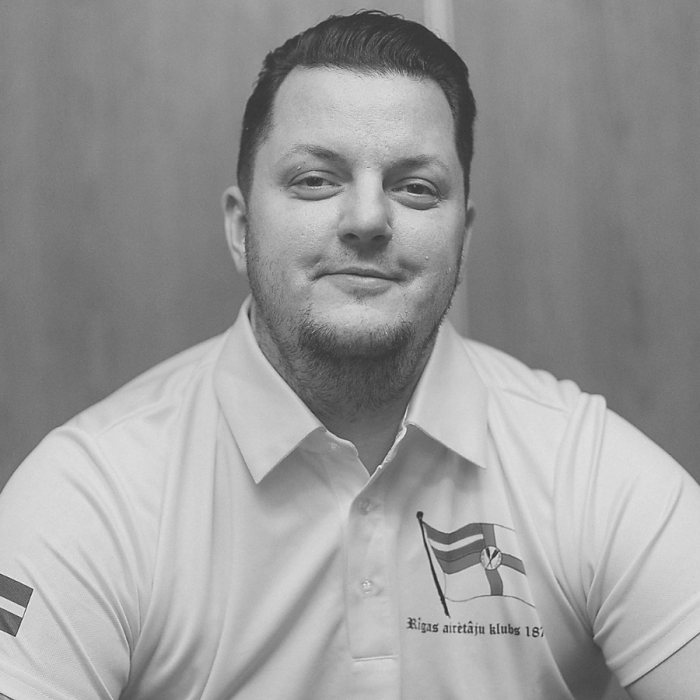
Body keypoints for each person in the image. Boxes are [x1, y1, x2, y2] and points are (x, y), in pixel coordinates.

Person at [0, 10, 699, 700]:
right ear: (242, 229)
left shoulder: (588, 471)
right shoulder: (89, 495)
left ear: (463, 236)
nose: (367, 219)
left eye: (415, 187)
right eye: (315, 179)